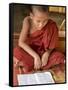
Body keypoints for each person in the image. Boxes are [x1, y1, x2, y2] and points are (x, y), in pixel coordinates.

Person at [13, 5, 65, 85]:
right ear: (31, 16)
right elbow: (21, 42)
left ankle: (35, 65)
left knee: (59, 56)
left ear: (48, 16)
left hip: (43, 52)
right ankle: (39, 64)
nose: (41, 25)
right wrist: (36, 56)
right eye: (38, 21)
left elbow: (51, 46)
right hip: (30, 53)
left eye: (45, 21)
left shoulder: (52, 25)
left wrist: (47, 54)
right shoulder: (27, 21)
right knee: (16, 51)